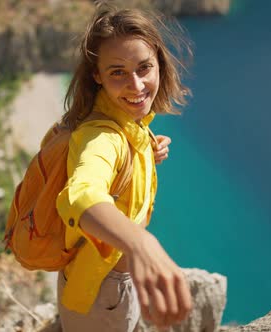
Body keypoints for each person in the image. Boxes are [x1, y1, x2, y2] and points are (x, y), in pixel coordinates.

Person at [55, 4, 193, 331]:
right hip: (101, 296)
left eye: (144, 67)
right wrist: (142, 244)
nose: (136, 85)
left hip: (99, 282)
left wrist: (145, 150)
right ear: (97, 75)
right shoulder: (100, 136)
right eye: (117, 71)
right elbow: (81, 194)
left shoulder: (127, 124)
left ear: (159, 64)